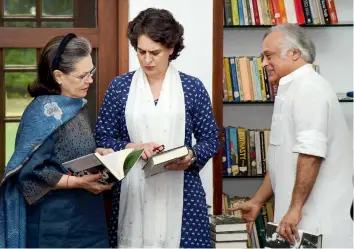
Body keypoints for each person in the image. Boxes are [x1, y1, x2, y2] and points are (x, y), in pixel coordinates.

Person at [95, 8, 219, 248]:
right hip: (132, 193)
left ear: (171, 49)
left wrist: (191, 156)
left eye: (155, 52)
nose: (146, 60)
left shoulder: (192, 88)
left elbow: (211, 139)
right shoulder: (120, 88)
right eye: (141, 52)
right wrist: (133, 147)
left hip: (182, 193)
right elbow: (102, 136)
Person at [230, 23, 353, 247]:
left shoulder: (309, 89)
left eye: (269, 56)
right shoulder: (291, 88)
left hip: (314, 221)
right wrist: (257, 201)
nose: (264, 63)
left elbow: (311, 155)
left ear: (295, 54)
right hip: (293, 220)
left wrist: (295, 209)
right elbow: (282, 157)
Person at [0, 33, 114, 248]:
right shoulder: (42, 114)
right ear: (59, 76)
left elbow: (68, 151)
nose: (90, 80)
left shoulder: (76, 106)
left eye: (91, 72)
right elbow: (31, 173)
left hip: (89, 220)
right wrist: (77, 182)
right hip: (56, 227)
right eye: (82, 76)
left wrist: (99, 153)